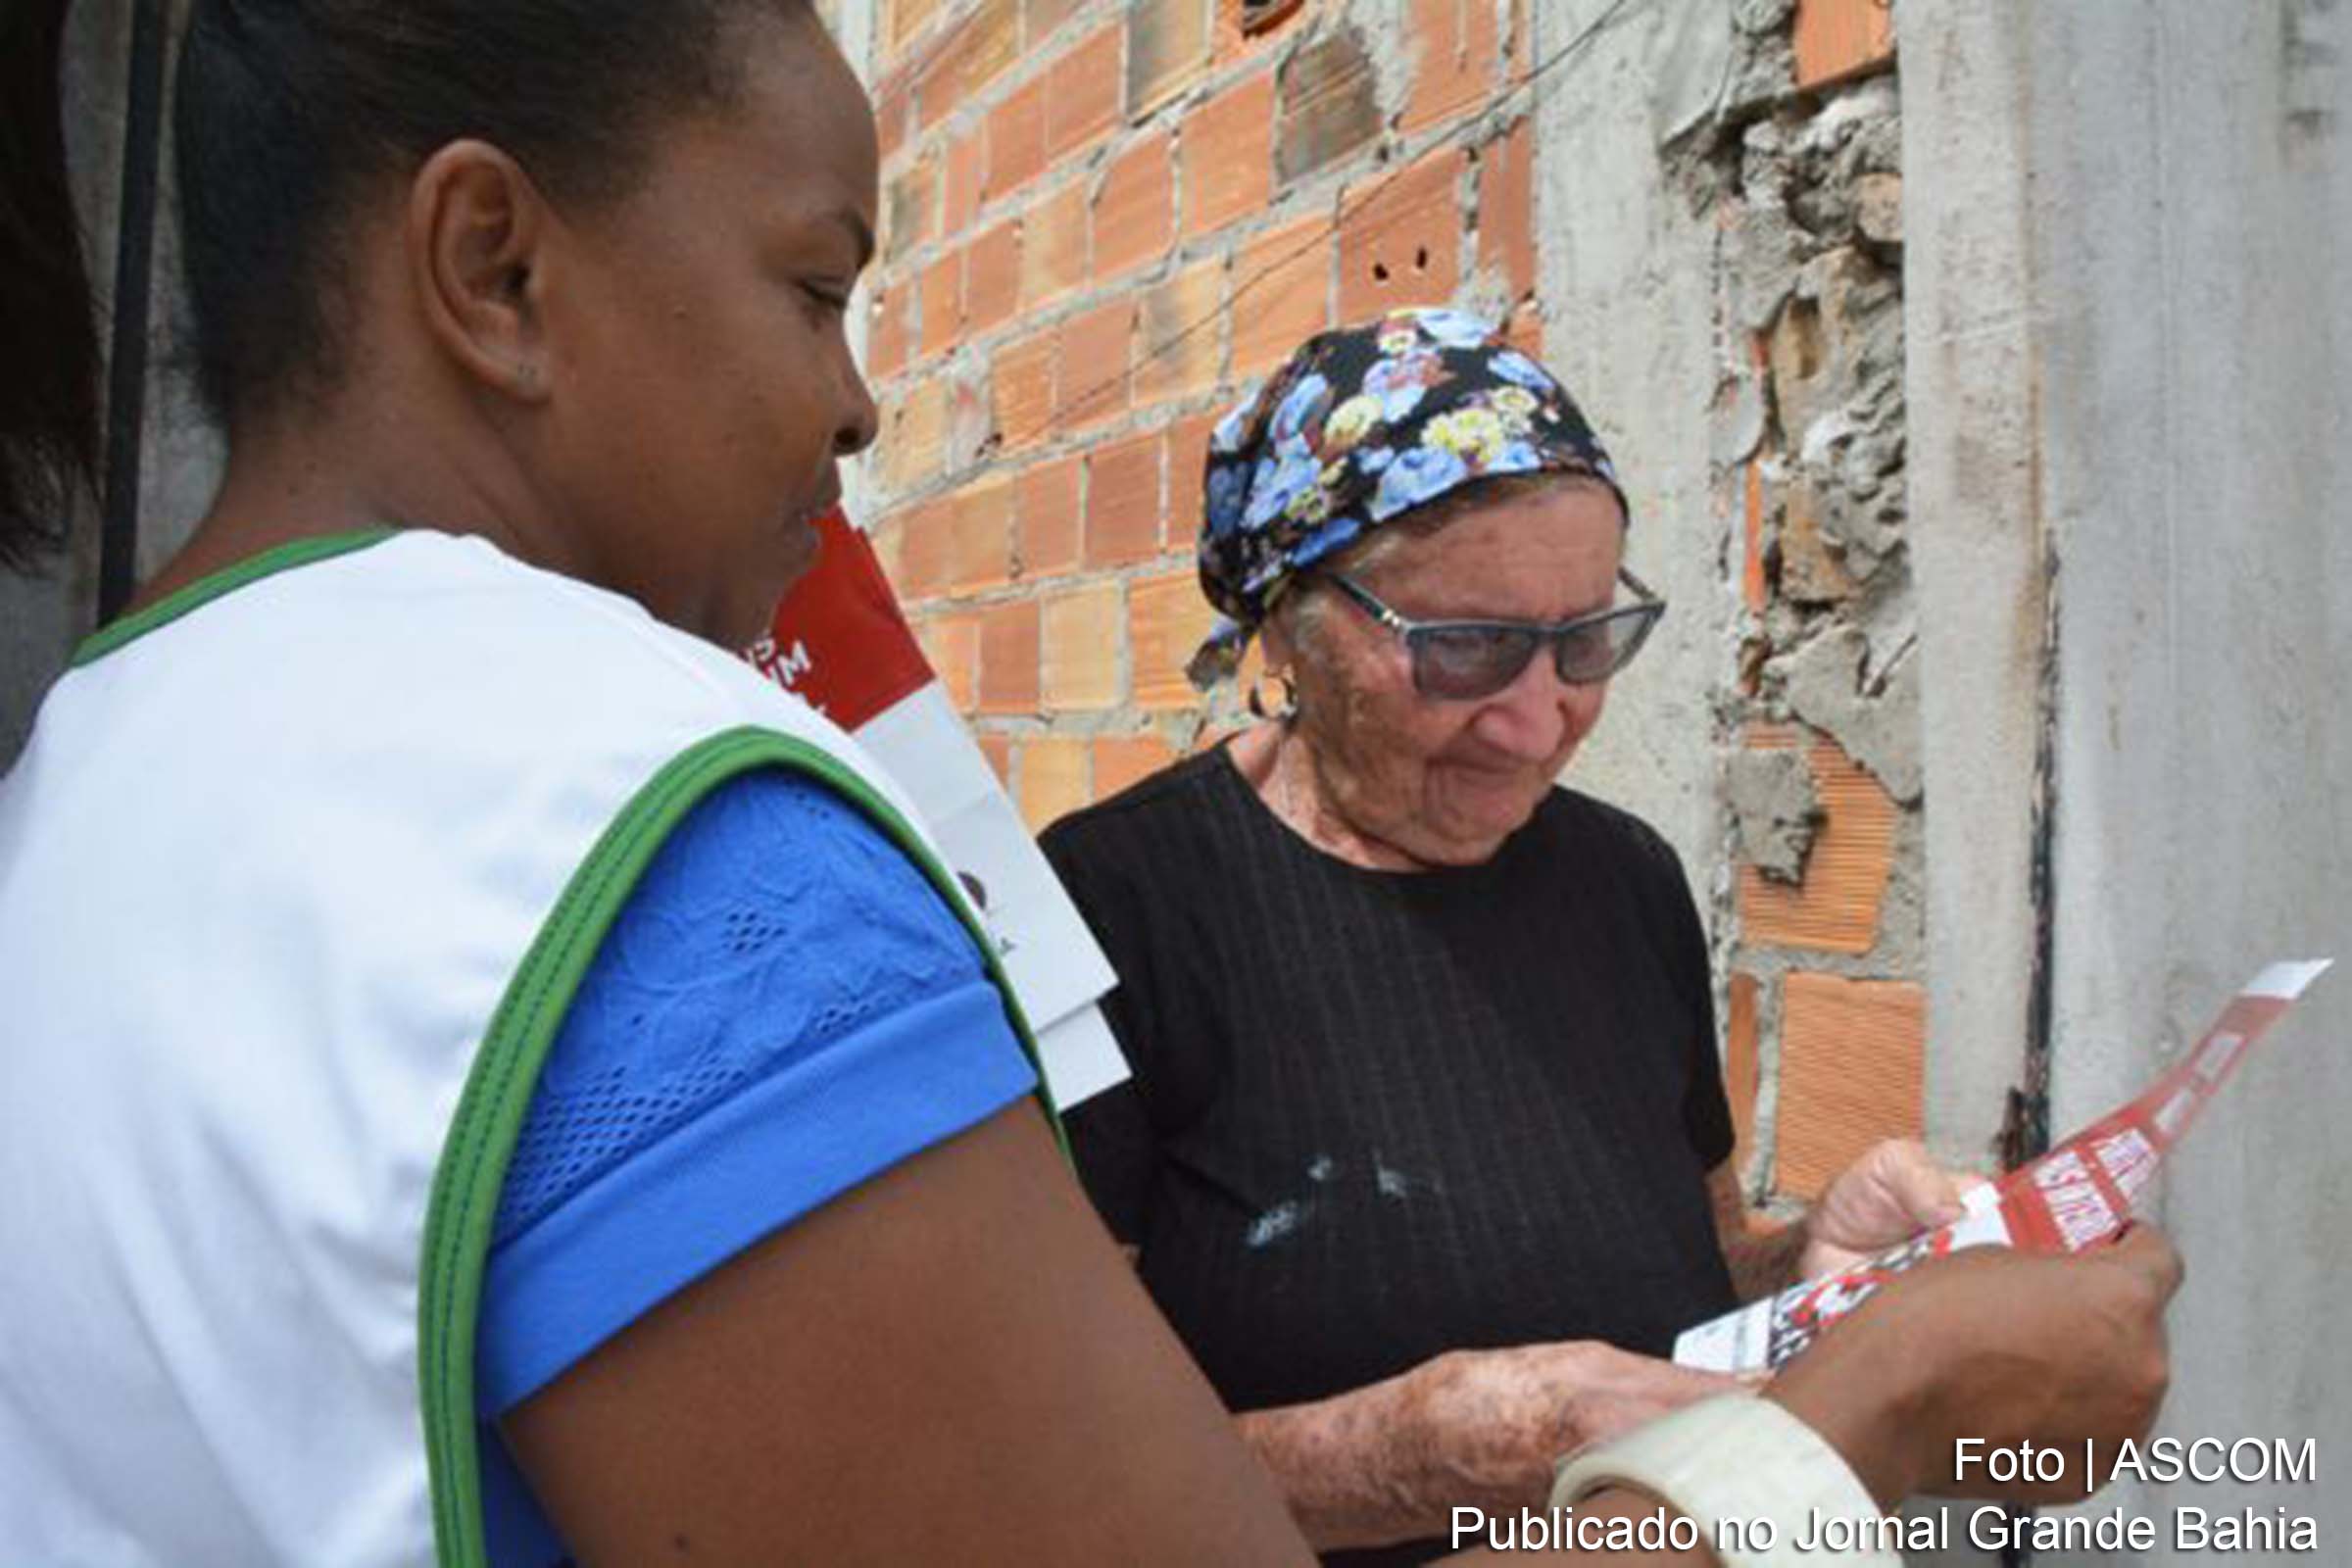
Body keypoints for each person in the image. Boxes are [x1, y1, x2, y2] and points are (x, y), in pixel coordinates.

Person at [0, 3, 2178, 1564]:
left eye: (1590, 639)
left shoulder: (104, 767)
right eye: (815, 288)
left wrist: (1832, 1285)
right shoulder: (671, 849)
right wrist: (1859, 1432)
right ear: (492, 267)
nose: (856, 410)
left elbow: (1695, 1249)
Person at [1040, 310, 2007, 1562]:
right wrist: (1407, 1454)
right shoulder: (1111, 912)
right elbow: (1046, 1467)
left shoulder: (1625, 881)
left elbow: (1694, 1279)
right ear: (1289, 624)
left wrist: (1813, 1275)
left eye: (1587, 638)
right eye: (1466, 650)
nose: (1540, 722)